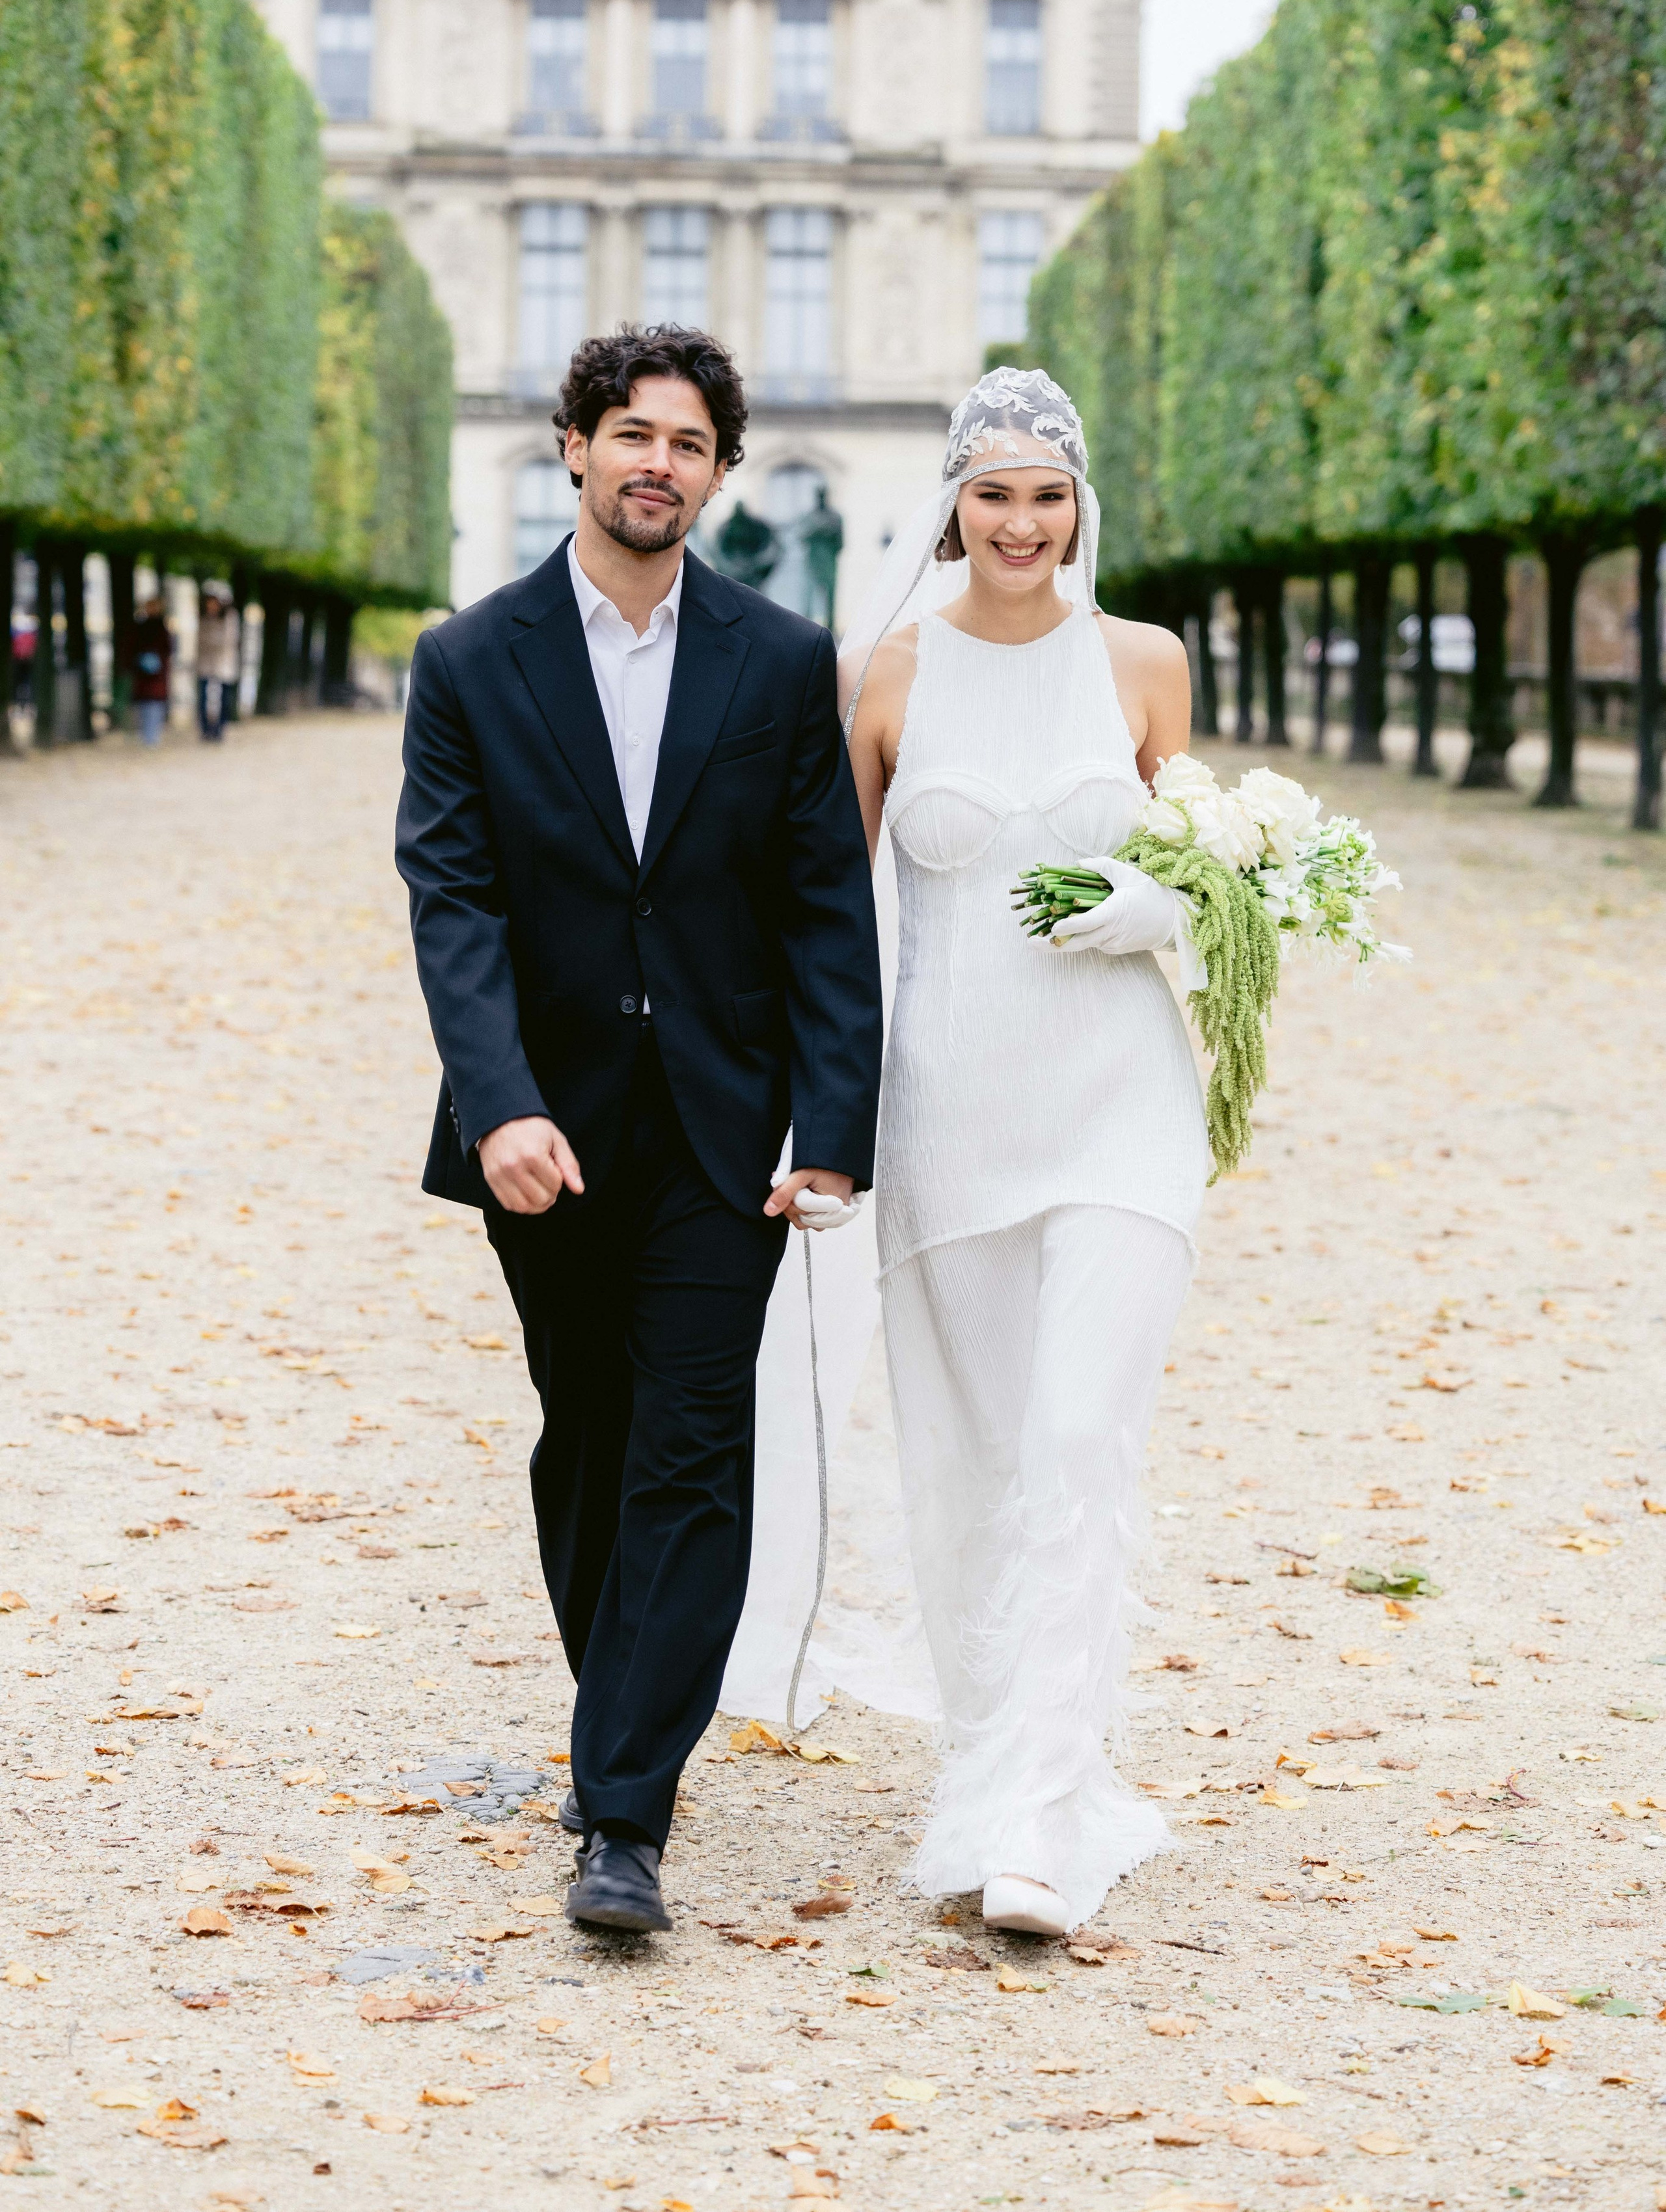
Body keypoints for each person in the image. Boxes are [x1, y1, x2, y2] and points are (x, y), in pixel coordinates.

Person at [394, 324, 883, 1937]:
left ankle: (622, 1813)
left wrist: (834, 1120)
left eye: (686, 443)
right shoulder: (469, 660)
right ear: (576, 448)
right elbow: (452, 898)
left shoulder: (780, 658)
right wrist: (497, 1103)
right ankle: (622, 1707)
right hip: (545, 1129)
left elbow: (822, 904)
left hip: (721, 1130)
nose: (656, 464)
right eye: (632, 435)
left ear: (717, 472)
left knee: (690, 1446)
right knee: (585, 1434)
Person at [838, 367, 1207, 1937]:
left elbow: (1216, 868)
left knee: (1073, 1439)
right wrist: (812, 1125)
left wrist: (1158, 901)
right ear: (951, 506)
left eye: (1045, 494)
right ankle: (990, 1764)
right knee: (972, 1461)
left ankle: (1041, 1824)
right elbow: (824, 920)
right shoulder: (885, 677)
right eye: (992, 492)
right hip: (949, 1111)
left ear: (1077, 506)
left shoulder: (1143, 663)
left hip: (1120, 1101)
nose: (1019, 521)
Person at [125, 591, 171, 748]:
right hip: (144, 673)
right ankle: (147, 736)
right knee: (146, 704)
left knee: (154, 704)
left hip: (156, 673)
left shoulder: (161, 627)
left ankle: (152, 736)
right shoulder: (141, 627)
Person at [195, 584, 241, 740]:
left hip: (224, 663)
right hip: (205, 663)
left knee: (224, 699)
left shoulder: (230, 617)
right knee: (203, 697)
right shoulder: (203, 617)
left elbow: (229, 640)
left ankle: (220, 729)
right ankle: (206, 729)